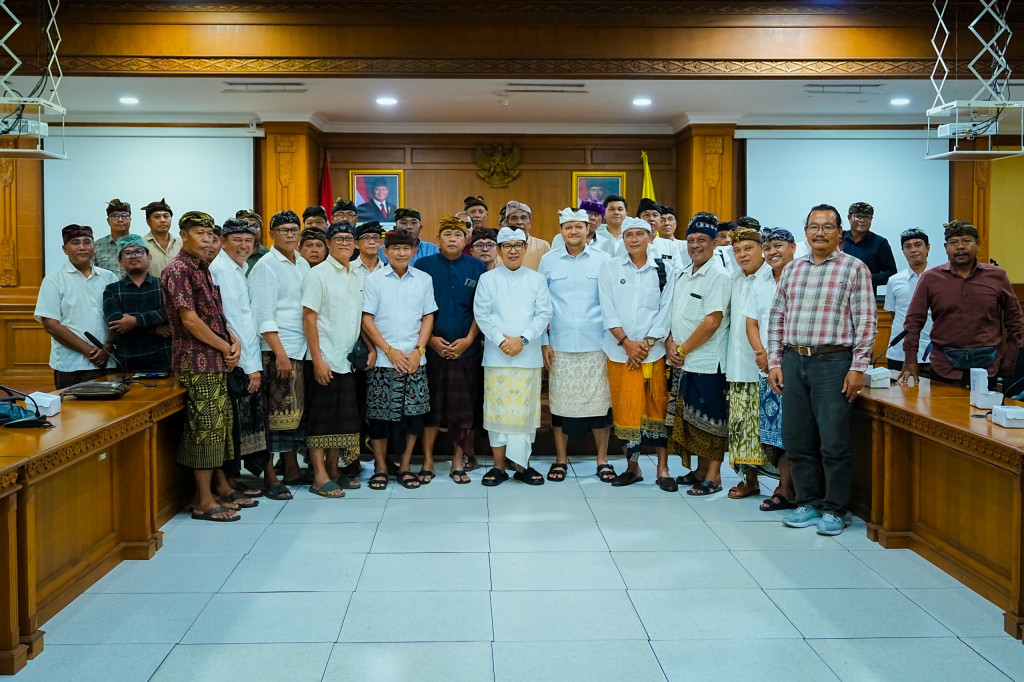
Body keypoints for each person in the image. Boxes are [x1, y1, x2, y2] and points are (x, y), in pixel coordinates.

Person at [767, 203, 877, 536]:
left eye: (827, 227)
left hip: (833, 362)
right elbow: (777, 317)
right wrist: (775, 362)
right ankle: (808, 502)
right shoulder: (793, 269)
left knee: (833, 441)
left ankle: (834, 508)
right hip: (793, 360)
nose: (820, 233)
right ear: (806, 232)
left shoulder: (854, 268)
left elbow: (866, 321)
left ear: (839, 232)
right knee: (796, 438)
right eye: (814, 227)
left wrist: (858, 367)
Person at [161, 211, 252, 522]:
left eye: (211, 235)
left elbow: (215, 315)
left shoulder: (202, 269)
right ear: (183, 235)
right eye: (200, 234)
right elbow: (190, 320)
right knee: (205, 431)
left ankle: (218, 488)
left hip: (216, 361)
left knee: (219, 428)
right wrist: (225, 346)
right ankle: (202, 501)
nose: (207, 240)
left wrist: (232, 340)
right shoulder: (178, 270)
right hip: (196, 362)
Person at [540, 208, 615, 483]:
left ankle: (602, 460)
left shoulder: (604, 260)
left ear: (588, 229)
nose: (573, 231)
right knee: (560, 407)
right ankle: (561, 459)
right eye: (568, 227)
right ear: (561, 231)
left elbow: (611, 302)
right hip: (559, 345)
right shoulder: (548, 261)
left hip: (597, 344)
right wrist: (543, 341)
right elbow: (541, 305)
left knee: (600, 407)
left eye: (579, 227)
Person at [597, 217, 673, 487]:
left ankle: (663, 469)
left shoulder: (664, 269)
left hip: (653, 353)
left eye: (640, 234)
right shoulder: (609, 267)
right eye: (629, 234)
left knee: (657, 409)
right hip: (620, 352)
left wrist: (646, 344)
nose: (634, 239)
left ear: (650, 238)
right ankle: (633, 467)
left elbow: (666, 309)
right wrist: (627, 343)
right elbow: (607, 309)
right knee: (626, 409)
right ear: (623, 239)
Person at [900, 220, 1023, 386]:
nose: (960, 247)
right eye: (953, 242)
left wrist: (1012, 355)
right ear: (945, 247)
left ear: (977, 244)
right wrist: (910, 359)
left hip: (988, 366)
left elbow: (1015, 319)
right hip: (944, 366)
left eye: (966, 241)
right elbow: (913, 321)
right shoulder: (930, 278)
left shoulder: (997, 277)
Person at [474, 227, 552, 486]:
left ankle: (522, 465)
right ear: (499, 250)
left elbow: (544, 314)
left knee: (525, 413)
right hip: (497, 357)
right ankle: (498, 466)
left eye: (518, 245)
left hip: (527, 357)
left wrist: (523, 340)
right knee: (497, 413)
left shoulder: (537, 279)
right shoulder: (487, 279)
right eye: (507, 246)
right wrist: (502, 341)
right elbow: (482, 314)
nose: (513, 251)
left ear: (525, 249)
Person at [361, 228, 437, 491]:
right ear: (386, 251)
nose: (401, 253)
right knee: (379, 418)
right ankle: (381, 467)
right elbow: (367, 319)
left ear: (414, 251)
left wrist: (418, 351)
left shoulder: (424, 279)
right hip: (384, 361)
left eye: (406, 248)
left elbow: (428, 316)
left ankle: (405, 467)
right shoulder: (374, 280)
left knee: (413, 417)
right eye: (396, 248)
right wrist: (389, 350)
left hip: (415, 360)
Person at [414, 217, 487, 484]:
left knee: (462, 410)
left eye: (458, 234)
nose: (453, 238)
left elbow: (482, 309)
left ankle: (458, 460)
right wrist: (430, 339)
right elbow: (415, 307)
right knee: (430, 408)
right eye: (447, 234)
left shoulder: (477, 266)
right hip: (431, 350)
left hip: (466, 350)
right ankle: (428, 460)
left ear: (466, 240)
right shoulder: (424, 266)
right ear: (438, 240)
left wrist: (468, 340)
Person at [301, 221, 371, 498]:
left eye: (349, 239)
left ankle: (333, 469)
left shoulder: (358, 275)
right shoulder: (317, 274)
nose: (344, 243)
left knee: (341, 422)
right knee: (321, 420)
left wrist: (370, 348)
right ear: (328, 243)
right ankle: (319, 476)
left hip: (348, 361)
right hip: (324, 359)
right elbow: (309, 318)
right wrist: (317, 360)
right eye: (338, 238)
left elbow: (361, 318)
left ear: (355, 244)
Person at [665, 213, 732, 495]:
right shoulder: (684, 273)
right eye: (691, 240)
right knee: (694, 421)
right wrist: (670, 343)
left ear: (714, 243)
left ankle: (714, 477)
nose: (695, 245)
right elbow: (675, 314)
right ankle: (700, 471)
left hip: (707, 362)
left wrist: (682, 349)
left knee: (712, 420)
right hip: (685, 361)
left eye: (701, 240)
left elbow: (712, 322)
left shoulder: (718, 276)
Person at [209, 218, 273, 500]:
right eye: (237, 240)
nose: (244, 245)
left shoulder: (240, 268)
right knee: (231, 426)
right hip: (235, 361)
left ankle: (232, 481)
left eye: (249, 240)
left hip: (244, 358)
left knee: (239, 425)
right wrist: (251, 366)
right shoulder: (221, 270)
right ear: (223, 241)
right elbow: (231, 322)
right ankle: (225, 485)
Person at [247, 209, 312, 487]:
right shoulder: (266, 266)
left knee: (293, 416)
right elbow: (263, 315)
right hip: (276, 351)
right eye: (284, 230)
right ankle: (270, 477)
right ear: (272, 234)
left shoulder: (302, 262)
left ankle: (292, 468)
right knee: (273, 417)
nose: (290, 235)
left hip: (300, 348)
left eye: (294, 230)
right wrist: (280, 354)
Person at [746, 228, 799, 511]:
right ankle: (785, 486)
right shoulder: (760, 280)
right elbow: (751, 322)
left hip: (797, 364)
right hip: (768, 367)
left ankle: (791, 489)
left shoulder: (802, 276)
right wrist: (762, 355)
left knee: (793, 430)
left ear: (793, 247)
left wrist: (778, 358)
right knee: (773, 432)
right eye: (767, 248)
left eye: (778, 246)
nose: (771, 252)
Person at [34, 224, 118, 389]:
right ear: (64, 249)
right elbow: (51, 325)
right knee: (73, 406)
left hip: (109, 361)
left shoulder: (109, 277)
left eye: (87, 242)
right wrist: (89, 351)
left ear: (94, 247)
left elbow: (117, 316)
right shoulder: (53, 280)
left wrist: (108, 346)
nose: (82, 247)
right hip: (71, 365)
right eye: (75, 243)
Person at [722, 226, 772, 499]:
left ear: (762, 249)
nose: (742, 255)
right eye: (737, 250)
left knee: (768, 428)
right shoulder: (734, 278)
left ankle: (783, 484)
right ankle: (748, 479)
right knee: (741, 427)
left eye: (748, 249)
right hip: (738, 365)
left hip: (766, 367)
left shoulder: (773, 277)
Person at [101, 234, 172, 373]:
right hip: (128, 363)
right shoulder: (112, 290)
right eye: (127, 253)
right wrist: (154, 329)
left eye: (139, 251)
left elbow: (169, 312)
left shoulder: (164, 285)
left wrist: (134, 321)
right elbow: (115, 322)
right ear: (120, 261)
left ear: (149, 257)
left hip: (164, 360)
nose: (133, 256)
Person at [884, 228, 933, 375]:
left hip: (932, 352)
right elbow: (893, 314)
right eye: (908, 246)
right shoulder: (894, 280)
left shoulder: (940, 279)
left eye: (918, 245)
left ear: (928, 248)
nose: (913, 250)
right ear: (903, 251)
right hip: (899, 353)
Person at [842, 201, 897, 292]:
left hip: (866, 295)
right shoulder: (838, 239)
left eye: (867, 217)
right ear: (849, 217)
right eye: (858, 216)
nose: (862, 220)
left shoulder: (880, 242)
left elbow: (891, 273)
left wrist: (867, 278)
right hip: (837, 293)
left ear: (871, 219)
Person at [502, 201, 550, 270]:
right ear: (507, 223)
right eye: (514, 218)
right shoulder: (500, 248)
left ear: (530, 222)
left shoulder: (543, 246)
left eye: (523, 218)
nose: (519, 222)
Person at [141, 198, 180, 277]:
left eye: (166, 216)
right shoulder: (141, 245)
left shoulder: (182, 244)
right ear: (148, 221)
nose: (162, 220)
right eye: (156, 217)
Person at [93, 198, 132, 277]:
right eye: (115, 216)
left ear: (130, 220)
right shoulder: (97, 246)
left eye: (124, 216)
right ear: (108, 221)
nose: (120, 220)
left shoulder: (139, 244)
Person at [236, 209, 269, 274]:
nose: (251, 230)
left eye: (255, 226)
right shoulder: (230, 254)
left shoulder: (269, 256)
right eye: (247, 226)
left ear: (260, 231)